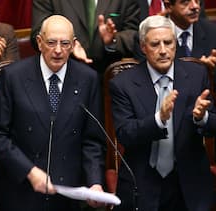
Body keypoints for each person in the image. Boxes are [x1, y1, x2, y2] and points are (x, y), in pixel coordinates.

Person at [0, 15, 106, 211]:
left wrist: (95, 182)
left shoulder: (88, 79)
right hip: (21, 190)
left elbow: (92, 140)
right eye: (51, 42)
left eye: (65, 43)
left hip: (67, 193)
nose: (58, 50)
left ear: (73, 44)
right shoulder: (13, 76)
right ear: (40, 42)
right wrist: (30, 172)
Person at [109, 15, 216, 211]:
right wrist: (159, 119)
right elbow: (125, 133)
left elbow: (213, 126)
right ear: (143, 47)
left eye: (168, 42)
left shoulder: (196, 75)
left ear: (175, 43)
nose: (163, 50)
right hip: (142, 183)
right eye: (155, 44)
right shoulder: (123, 84)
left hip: (190, 183)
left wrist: (203, 117)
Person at [31, 0, 140, 73]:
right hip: (64, 72)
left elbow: (134, 37)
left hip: (109, 76)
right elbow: (37, 35)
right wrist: (67, 44)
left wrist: (113, 41)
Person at [164, 0, 216, 70]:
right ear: (168, 6)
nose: (195, 6)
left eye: (197, 1)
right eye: (185, 2)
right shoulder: (155, 35)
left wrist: (211, 70)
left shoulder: (212, 31)